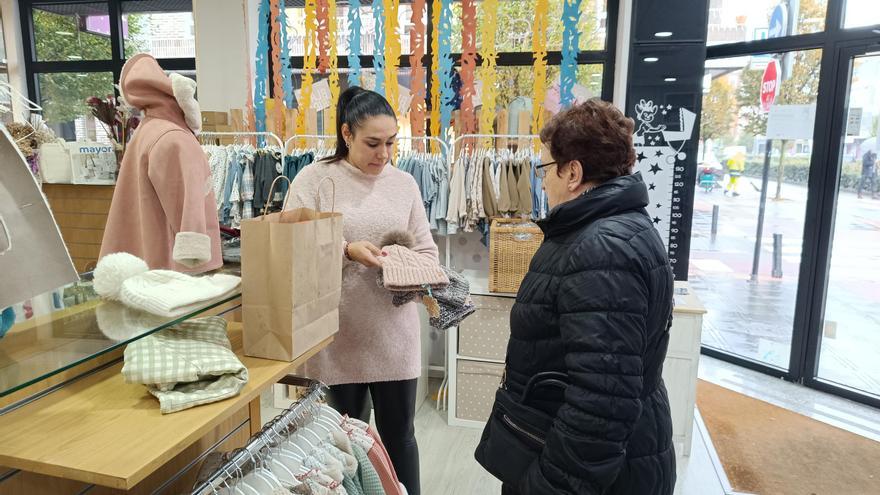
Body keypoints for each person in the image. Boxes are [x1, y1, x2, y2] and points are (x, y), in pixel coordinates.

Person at [477, 99, 676, 494]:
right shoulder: (613, 229)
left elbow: (601, 403)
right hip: (606, 457)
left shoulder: (602, 249)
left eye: (545, 168)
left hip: (593, 472)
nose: (542, 180)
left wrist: (548, 485)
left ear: (573, 172)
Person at [285, 86, 438, 495]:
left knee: (400, 437)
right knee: (347, 442)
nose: (383, 154)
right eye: (373, 143)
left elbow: (427, 251)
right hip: (337, 333)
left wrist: (399, 261)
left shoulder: (404, 184)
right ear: (346, 133)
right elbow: (291, 246)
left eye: (391, 143)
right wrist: (347, 251)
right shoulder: (314, 180)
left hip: (394, 333)